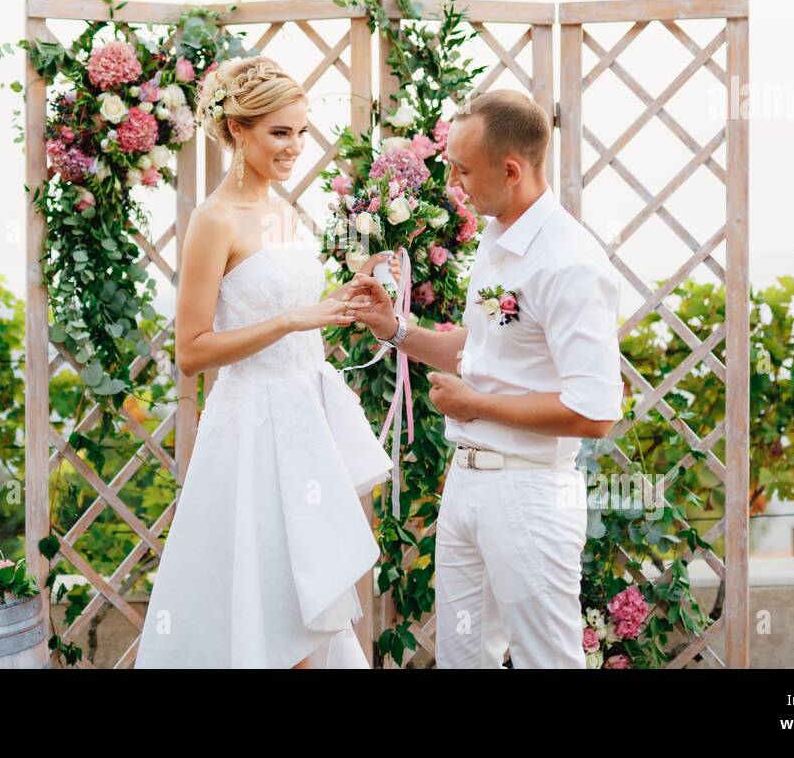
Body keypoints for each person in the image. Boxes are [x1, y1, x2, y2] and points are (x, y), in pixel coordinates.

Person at [345, 89, 624, 668]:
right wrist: (393, 329)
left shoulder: (569, 262)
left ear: (512, 169)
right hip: (469, 483)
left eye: (463, 169)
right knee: (462, 659)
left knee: (549, 659)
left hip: (529, 493)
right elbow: (480, 348)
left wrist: (477, 404)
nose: (454, 182)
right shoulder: (498, 241)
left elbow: (596, 411)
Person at [134, 56, 395, 669]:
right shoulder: (212, 221)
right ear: (237, 131)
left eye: (302, 132)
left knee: (310, 597)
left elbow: (297, 310)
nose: (296, 146)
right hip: (252, 431)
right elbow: (192, 351)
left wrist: (343, 297)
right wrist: (288, 321)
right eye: (281, 132)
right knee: (272, 607)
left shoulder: (287, 214)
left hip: (305, 424)